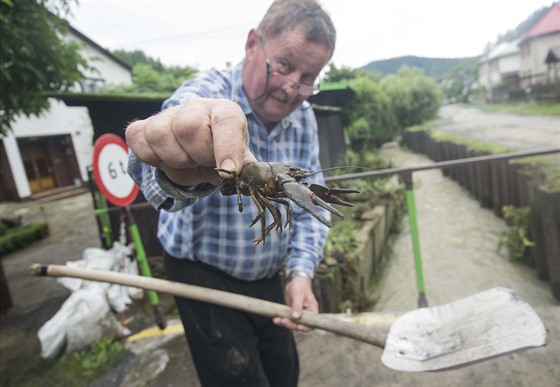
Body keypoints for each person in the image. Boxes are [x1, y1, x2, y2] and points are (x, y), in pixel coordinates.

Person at [125, 1, 336, 385]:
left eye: (309, 77)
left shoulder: (303, 118)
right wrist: (181, 167)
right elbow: (147, 169)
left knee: (285, 372)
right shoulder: (208, 91)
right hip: (201, 275)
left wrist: (301, 272)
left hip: (267, 276)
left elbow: (310, 208)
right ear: (252, 44)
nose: (292, 87)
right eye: (285, 66)